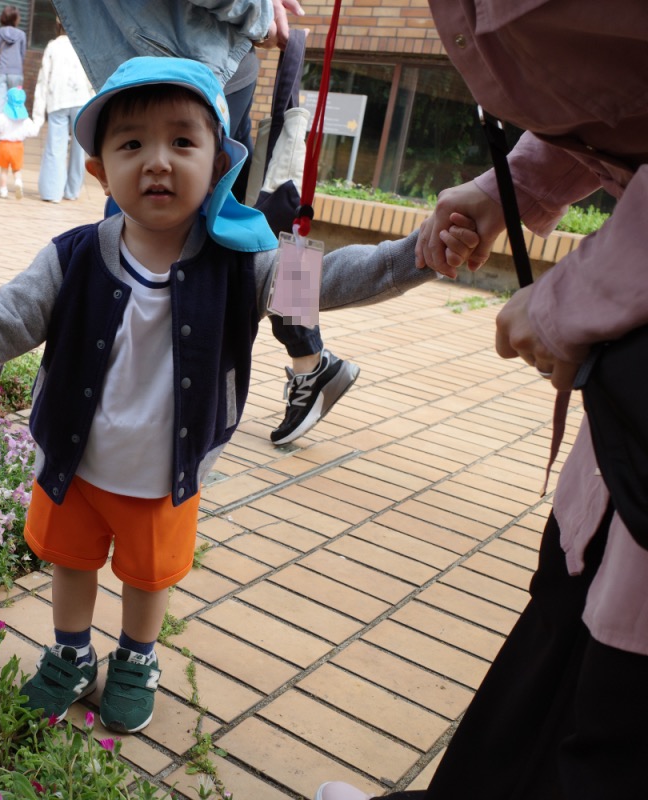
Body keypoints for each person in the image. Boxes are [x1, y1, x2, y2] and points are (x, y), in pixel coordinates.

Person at [0, 57, 466, 734]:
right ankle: (71, 654)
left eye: (182, 141)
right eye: (132, 143)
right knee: (71, 563)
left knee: (148, 577)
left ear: (219, 164)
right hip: (75, 464)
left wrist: (418, 254)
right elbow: (3, 317)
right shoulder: (72, 256)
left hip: (165, 473)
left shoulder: (249, 264)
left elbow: (334, 278)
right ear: (99, 170)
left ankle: (136, 659)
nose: (158, 161)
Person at [314, 3, 648, 800]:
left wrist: (585, 294)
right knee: (565, 620)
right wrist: (515, 186)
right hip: (626, 437)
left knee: (618, 705)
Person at [53, 0, 361, 446]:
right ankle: (311, 358)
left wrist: (259, 15)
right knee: (250, 228)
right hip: (190, 62)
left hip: (190, 69)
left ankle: (302, 361)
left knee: (148, 230)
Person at [31, 22, 94, 204]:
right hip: (82, 100)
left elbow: (43, 79)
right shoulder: (84, 46)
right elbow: (91, 79)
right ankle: (72, 191)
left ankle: (52, 192)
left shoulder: (53, 45)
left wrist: (37, 116)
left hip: (58, 100)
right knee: (78, 149)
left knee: (55, 146)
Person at [0, 87, 38, 199]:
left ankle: (3, 191)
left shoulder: (3, 117)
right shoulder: (26, 120)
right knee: (16, 170)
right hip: (18, 146)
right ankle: (18, 182)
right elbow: (33, 132)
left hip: (4, 146)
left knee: (4, 170)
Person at [0, 5, 26, 119]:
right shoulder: (21, 35)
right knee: (15, 102)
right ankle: (13, 126)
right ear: (15, 18)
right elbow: (22, 55)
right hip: (16, 72)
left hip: (0, 71)